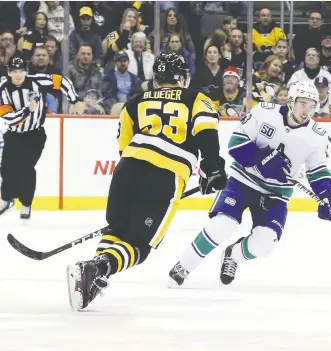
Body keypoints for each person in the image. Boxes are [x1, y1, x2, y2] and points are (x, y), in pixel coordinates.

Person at [66, 52, 228, 311]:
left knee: (116, 231)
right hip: (166, 173)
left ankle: (93, 277)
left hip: (128, 167)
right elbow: (206, 129)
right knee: (140, 244)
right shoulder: (196, 98)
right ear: (181, 78)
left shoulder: (134, 102)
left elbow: (123, 146)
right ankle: (97, 268)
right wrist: (212, 167)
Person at [168, 81, 331, 286]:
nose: (307, 110)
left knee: (265, 244)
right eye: (303, 103)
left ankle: (233, 255)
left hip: (276, 194)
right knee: (222, 225)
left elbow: (317, 171)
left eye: (312, 105)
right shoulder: (264, 113)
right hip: (243, 180)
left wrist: (328, 195)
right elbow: (235, 144)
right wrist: (262, 159)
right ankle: (185, 265)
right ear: (291, 101)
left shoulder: (317, 136)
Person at [0, 56, 84, 220]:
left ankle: (26, 203)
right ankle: (6, 198)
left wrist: (75, 99)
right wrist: (27, 110)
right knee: (7, 168)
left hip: (34, 135)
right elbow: (8, 118)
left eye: (21, 70)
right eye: (14, 71)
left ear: (26, 71)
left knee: (26, 168)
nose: (18, 74)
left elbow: (62, 81)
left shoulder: (38, 81)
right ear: (9, 72)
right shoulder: (3, 88)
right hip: (13, 134)